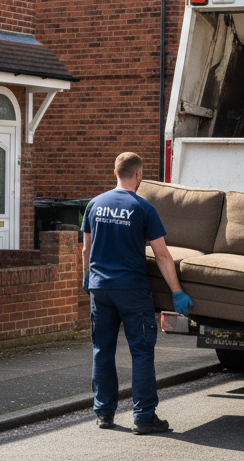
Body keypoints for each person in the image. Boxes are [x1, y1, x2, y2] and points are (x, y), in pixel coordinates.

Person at [82, 152, 193, 434]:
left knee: (102, 351)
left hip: (100, 289)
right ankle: (144, 417)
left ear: (115, 172)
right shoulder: (143, 209)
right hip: (131, 290)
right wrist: (177, 292)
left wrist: (87, 277)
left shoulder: (94, 205)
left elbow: (86, 249)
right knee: (141, 352)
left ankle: (104, 414)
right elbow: (163, 256)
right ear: (139, 174)